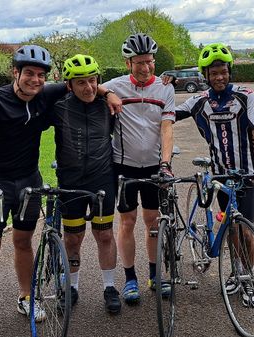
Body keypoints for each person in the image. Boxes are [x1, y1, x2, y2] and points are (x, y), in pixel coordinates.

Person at [0, 45, 122, 337]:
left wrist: (107, 93)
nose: (35, 80)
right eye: (29, 74)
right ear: (15, 72)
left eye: (40, 75)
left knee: (23, 242)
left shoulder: (46, 95)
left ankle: (26, 297)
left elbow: (83, 84)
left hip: (28, 180)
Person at [175, 43, 254, 306]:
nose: (219, 76)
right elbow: (168, 115)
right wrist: (160, 87)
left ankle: (247, 276)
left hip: (247, 175)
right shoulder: (199, 101)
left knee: (245, 229)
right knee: (230, 228)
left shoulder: (245, 96)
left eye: (224, 71)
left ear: (230, 71)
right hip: (219, 177)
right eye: (214, 72)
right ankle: (235, 271)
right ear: (205, 75)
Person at [103, 33, 176, 305]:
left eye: (149, 61)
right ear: (128, 64)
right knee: (127, 221)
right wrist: (108, 92)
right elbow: (91, 87)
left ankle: (155, 276)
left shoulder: (165, 88)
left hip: (155, 166)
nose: (145, 68)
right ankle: (130, 278)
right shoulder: (116, 85)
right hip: (124, 166)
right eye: (139, 63)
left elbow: (167, 128)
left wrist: (166, 163)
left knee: (153, 222)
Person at [49, 54, 121, 314]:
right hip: (70, 183)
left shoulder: (107, 105)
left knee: (104, 235)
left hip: (102, 180)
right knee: (72, 238)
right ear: (69, 85)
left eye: (92, 81)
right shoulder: (58, 106)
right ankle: (72, 286)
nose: (88, 87)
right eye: (80, 82)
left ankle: (110, 287)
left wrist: (108, 92)